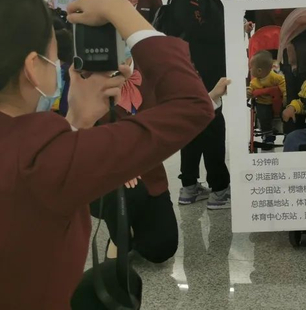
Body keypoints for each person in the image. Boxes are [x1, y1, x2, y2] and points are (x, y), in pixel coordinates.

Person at [0, 0, 215, 310]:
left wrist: (77, 120)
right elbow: (191, 106)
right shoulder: (40, 157)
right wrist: (117, 8)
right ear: (34, 67)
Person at [92, 75, 231, 263]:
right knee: (127, 193)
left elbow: (180, 112)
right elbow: (83, 139)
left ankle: (131, 230)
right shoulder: (92, 79)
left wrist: (213, 95)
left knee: (162, 248)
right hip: (109, 178)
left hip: (150, 177)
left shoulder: (150, 73)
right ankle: (118, 240)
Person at [171, 0, 232, 209]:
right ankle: (219, 189)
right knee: (212, 126)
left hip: (198, 68)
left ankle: (189, 187)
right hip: (202, 71)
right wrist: (228, 30)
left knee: (194, 125)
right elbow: (199, 28)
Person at [247, 50, 286, 144]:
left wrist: (285, 96)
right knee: (263, 116)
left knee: (284, 113)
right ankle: (268, 136)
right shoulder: (254, 82)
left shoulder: (276, 77)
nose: (250, 70)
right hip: (263, 103)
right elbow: (250, 89)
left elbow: (284, 86)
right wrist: (248, 92)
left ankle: (286, 132)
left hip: (278, 102)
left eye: (251, 68)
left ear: (259, 71)